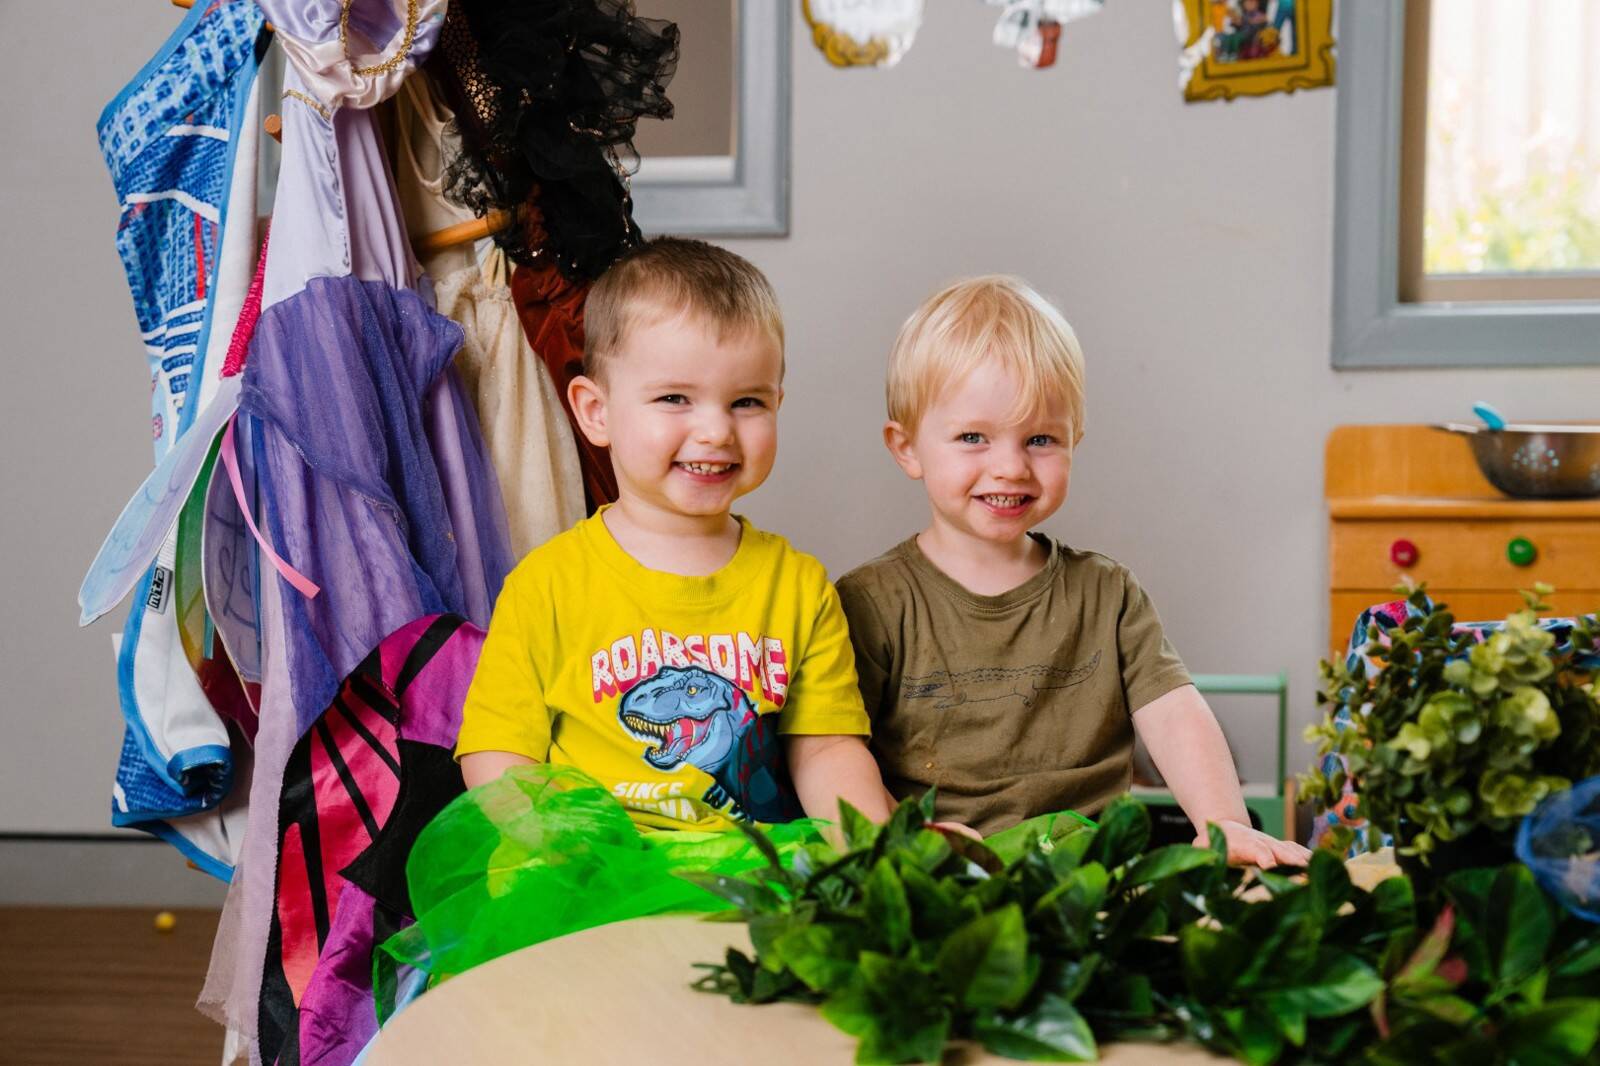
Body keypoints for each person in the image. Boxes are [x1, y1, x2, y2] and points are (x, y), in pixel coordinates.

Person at [837, 275, 1311, 866]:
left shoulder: (1107, 594)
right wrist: (900, 841)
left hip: (1089, 874)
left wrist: (1225, 824)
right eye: (973, 438)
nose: (1011, 467)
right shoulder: (871, 602)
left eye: (1040, 439)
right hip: (940, 875)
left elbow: (1174, 714)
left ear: (1074, 440)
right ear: (907, 447)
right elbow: (838, 751)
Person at [454, 237, 893, 830]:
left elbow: (826, 750)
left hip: (755, 861)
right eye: (674, 398)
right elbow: (498, 753)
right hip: (598, 860)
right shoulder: (545, 586)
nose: (716, 430)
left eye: (747, 402)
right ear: (596, 412)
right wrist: (553, 849)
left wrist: (870, 844)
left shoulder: (799, 587)